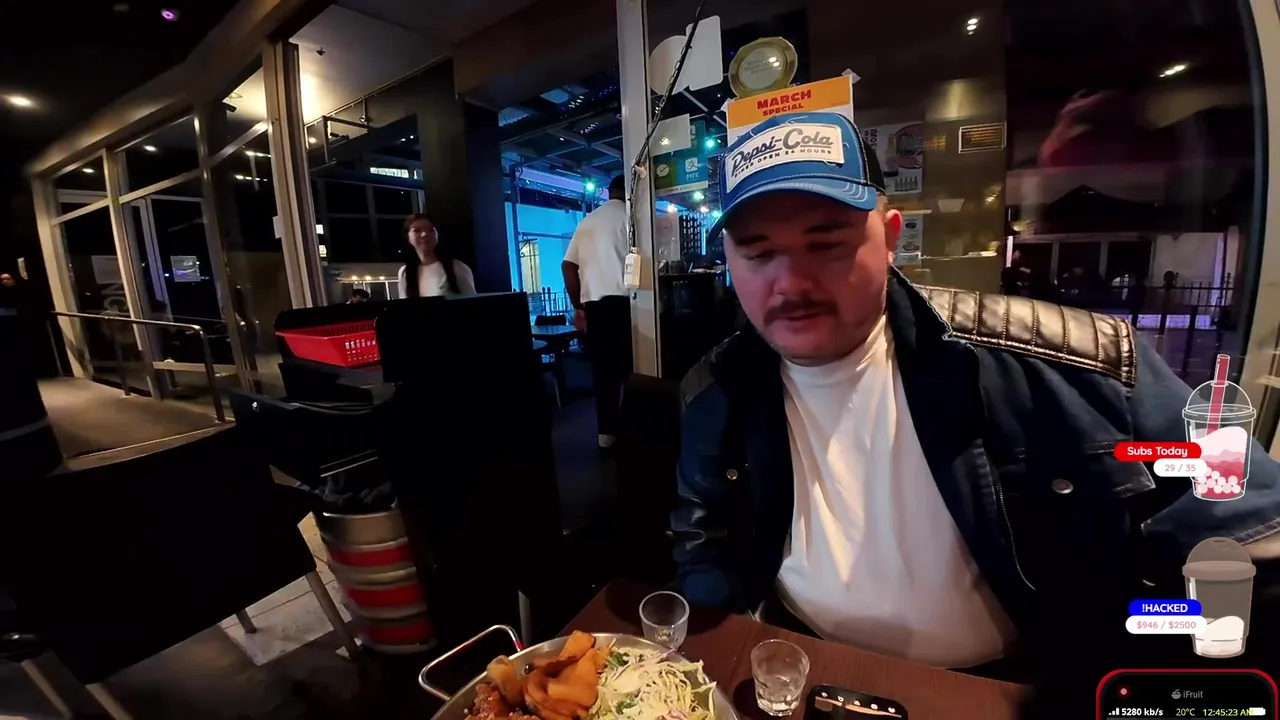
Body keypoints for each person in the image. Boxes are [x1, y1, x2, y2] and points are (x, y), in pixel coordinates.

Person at [670, 112, 1278, 715]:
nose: (790, 283)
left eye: (825, 244)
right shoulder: (716, 390)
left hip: (1010, 690)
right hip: (802, 666)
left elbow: (1252, 545)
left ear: (890, 237)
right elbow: (702, 535)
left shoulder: (1077, 363)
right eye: (758, 253)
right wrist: (737, 644)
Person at [562, 175, 633, 449]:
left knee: (603, 373)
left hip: (595, 308)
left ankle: (606, 435)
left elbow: (568, 266)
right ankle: (633, 429)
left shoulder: (587, 221)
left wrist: (578, 308)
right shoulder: (632, 218)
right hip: (628, 305)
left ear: (609, 192)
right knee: (633, 371)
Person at [396, 214, 476, 298]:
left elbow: (472, 302)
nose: (424, 234)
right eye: (417, 230)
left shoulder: (457, 268)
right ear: (408, 237)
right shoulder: (405, 272)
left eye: (431, 230)